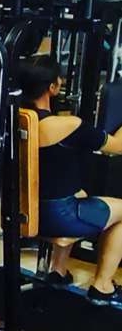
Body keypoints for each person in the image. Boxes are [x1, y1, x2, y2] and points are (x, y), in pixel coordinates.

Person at [17, 55, 122, 306]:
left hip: (22, 212)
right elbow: (117, 147)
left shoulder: (14, 118)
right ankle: (103, 287)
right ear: (52, 87)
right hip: (57, 217)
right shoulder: (66, 125)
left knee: (78, 195)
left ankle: (58, 271)